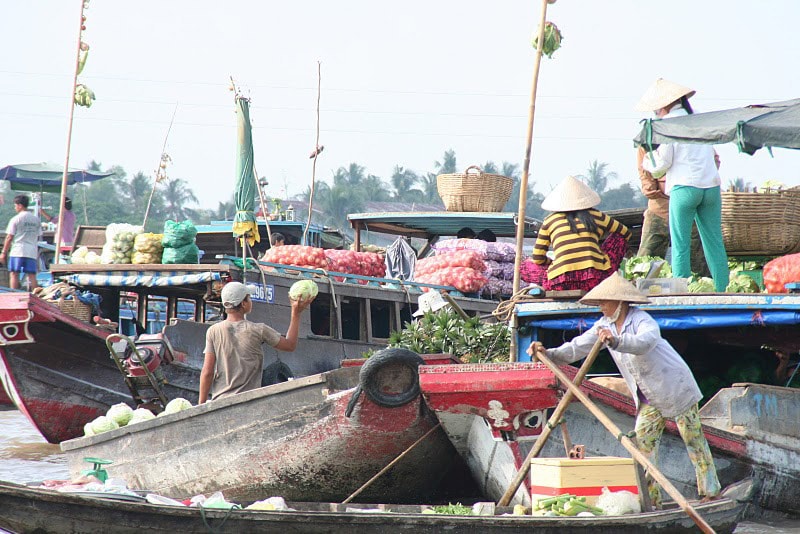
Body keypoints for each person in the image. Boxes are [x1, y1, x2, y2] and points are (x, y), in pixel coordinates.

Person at [527, 272, 721, 508]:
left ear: (620, 302)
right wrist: (548, 353)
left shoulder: (642, 320)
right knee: (643, 446)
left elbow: (645, 343)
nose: (601, 308)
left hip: (675, 387)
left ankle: (711, 492)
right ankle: (652, 501)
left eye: (604, 303)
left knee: (693, 439)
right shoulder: (603, 325)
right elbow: (577, 348)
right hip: (649, 397)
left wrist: (617, 341)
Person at [636, 78, 729, 292]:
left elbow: (662, 165)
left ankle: (682, 288)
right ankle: (723, 287)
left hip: (684, 188)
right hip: (711, 188)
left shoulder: (668, 124)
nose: (656, 114)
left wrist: (647, 161)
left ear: (664, 105)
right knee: (714, 242)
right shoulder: (697, 119)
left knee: (680, 244)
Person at [198, 281, 313, 403]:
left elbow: (207, 372)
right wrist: (296, 313)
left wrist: (201, 405)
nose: (251, 301)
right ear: (243, 304)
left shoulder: (213, 331)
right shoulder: (259, 330)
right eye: (249, 298)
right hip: (249, 402)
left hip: (220, 401)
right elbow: (290, 345)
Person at [524, 175, 631, 291]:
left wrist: (551, 263)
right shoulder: (597, 216)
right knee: (619, 238)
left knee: (525, 266)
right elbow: (625, 233)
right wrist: (601, 253)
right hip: (596, 279)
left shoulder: (549, 221)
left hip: (560, 282)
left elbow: (538, 258)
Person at [636, 148, 710, 277]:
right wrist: (649, 185)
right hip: (658, 209)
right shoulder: (648, 142)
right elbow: (644, 166)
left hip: (689, 210)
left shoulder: (692, 138)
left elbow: (712, 161)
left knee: (698, 265)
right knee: (645, 263)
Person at [1, 194, 42, 290]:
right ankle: (37, 295)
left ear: (20, 205)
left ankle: (13, 294)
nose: (15, 208)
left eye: (15, 205)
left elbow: (9, 237)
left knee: (14, 273)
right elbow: (38, 235)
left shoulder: (16, 219)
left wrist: (3, 252)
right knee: (32, 275)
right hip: (31, 251)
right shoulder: (36, 220)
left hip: (18, 250)